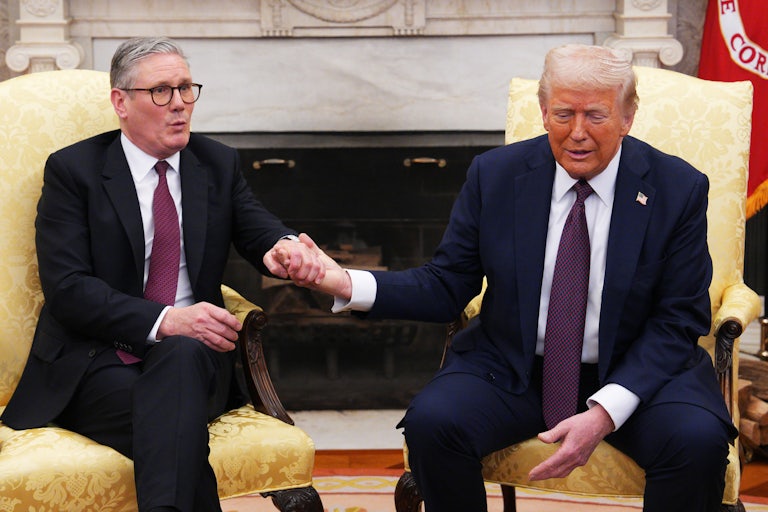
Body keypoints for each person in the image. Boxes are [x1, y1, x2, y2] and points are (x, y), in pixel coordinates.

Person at [272, 44, 737, 512]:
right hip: (515, 368)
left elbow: (679, 320)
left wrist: (605, 411)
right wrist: (343, 283)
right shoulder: (495, 175)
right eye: (562, 114)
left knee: (696, 441)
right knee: (434, 423)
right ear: (542, 111)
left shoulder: (677, 188)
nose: (577, 133)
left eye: (595, 115)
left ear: (627, 116)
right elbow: (445, 285)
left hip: (636, 372)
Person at [0, 37, 324, 512]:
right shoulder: (75, 171)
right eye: (161, 92)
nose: (179, 105)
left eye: (186, 89)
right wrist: (167, 320)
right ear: (121, 102)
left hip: (197, 360)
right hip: (99, 362)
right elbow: (68, 290)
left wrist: (284, 248)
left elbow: (259, 228)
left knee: (180, 361)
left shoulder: (215, 163)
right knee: (173, 420)